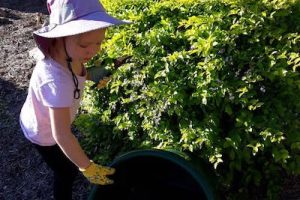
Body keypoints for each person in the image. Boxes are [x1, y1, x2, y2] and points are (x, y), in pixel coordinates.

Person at [19, 0, 129, 199]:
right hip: (43, 133)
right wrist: (87, 167)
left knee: (67, 160)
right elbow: (60, 134)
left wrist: (92, 74)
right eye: (85, 44)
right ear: (60, 37)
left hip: (47, 120)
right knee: (65, 172)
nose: (94, 50)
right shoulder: (56, 82)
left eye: (99, 42)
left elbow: (76, 70)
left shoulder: (68, 54)